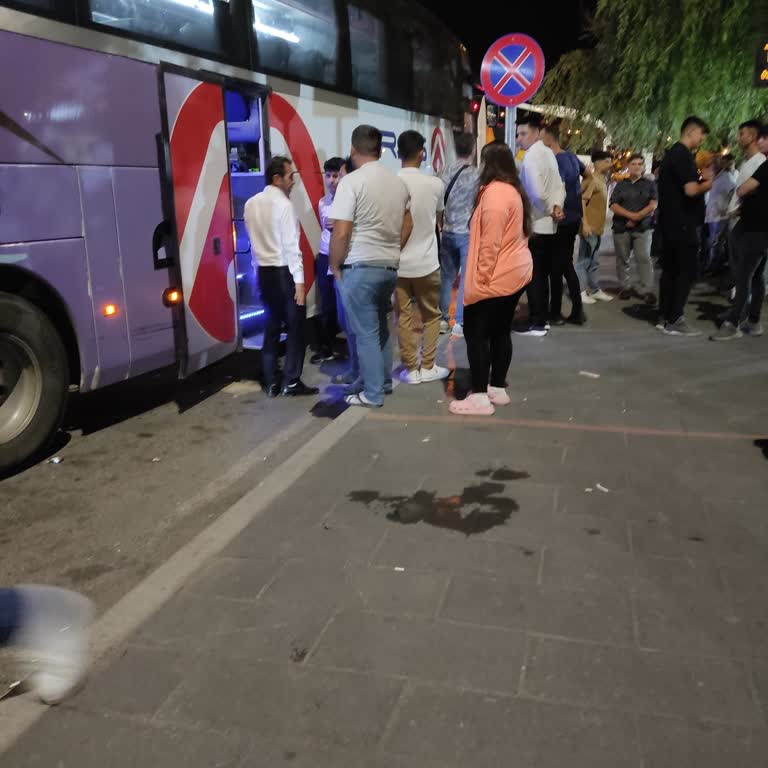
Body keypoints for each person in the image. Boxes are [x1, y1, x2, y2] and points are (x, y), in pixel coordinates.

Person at [329, 125, 412, 408]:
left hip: (360, 266)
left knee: (365, 332)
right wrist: (392, 248)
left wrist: (335, 265)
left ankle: (373, 394)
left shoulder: (350, 183)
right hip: (388, 267)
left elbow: (341, 232)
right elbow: (408, 222)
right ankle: (382, 383)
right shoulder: (397, 183)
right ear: (379, 150)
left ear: (354, 151)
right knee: (381, 328)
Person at [449, 142, 533, 416]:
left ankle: (480, 397)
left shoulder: (495, 193)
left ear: (489, 164)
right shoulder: (511, 191)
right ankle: (496, 387)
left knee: (476, 335)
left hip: (496, 277)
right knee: (499, 332)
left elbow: (490, 243)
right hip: (512, 274)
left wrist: (481, 279)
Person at [245, 155, 318, 396]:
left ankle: (271, 382)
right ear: (277, 179)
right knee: (297, 328)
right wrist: (299, 283)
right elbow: (291, 249)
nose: (293, 181)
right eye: (290, 176)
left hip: (264, 274)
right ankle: (292, 381)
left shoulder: (250, 204)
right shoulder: (284, 206)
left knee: (271, 327)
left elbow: (253, 249)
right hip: (283, 274)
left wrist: (257, 275)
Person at [395, 130, 450, 384]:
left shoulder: (391, 183)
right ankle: (428, 366)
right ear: (422, 153)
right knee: (431, 316)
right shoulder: (435, 184)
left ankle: (410, 369)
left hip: (398, 264)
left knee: (403, 316)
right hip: (427, 262)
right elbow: (439, 218)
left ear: (398, 153)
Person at [656, 115, 714, 336]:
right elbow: (690, 190)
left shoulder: (671, 154)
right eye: (701, 134)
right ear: (692, 131)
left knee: (670, 271)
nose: (702, 140)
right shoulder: (683, 156)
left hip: (669, 224)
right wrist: (707, 183)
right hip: (683, 224)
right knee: (685, 272)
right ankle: (675, 318)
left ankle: (664, 315)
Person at [711, 134, 768, 340]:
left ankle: (733, 323)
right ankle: (753, 322)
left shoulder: (765, 166)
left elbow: (743, 189)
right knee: (758, 277)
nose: (760, 142)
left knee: (743, 277)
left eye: (765, 138)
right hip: (762, 231)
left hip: (755, 230)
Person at [0, 585, 92, 704]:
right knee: (52, 689)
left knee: (53, 691)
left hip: (50, 615)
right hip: (42, 609)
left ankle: (55, 631)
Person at [517, 115, 565, 335]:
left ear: (536, 132)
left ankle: (537, 322)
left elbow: (536, 192)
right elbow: (559, 185)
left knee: (534, 276)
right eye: (518, 134)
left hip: (536, 224)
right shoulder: (548, 152)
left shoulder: (532, 156)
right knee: (542, 274)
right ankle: (542, 319)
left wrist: (548, 208)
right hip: (550, 224)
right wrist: (557, 207)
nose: (519, 139)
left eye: (523, 134)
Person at [541, 123, 587, 325]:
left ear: (549, 140)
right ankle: (576, 311)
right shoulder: (572, 157)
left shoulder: (555, 161)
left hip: (561, 220)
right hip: (573, 218)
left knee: (556, 268)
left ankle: (556, 313)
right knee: (565, 265)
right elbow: (588, 174)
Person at [438, 133, 479, 338]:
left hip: (447, 230)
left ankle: (442, 320)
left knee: (446, 277)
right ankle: (460, 323)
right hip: (467, 232)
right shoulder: (476, 174)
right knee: (466, 278)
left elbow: (438, 201)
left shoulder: (444, 171)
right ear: (473, 149)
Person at [609, 153, 658, 303]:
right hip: (621, 228)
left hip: (643, 228)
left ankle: (647, 289)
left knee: (643, 258)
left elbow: (653, 204)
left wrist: (637, 217)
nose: (637, 166)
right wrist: (630, 216)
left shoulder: (650, 184)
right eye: (634, 164)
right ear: (628, 166)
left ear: (643, 167)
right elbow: (613, 205)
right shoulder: (621, 185)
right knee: (622, 259)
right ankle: (625, 287)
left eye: (639, 164)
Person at [313, 157, 346, 365]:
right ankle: (326, 347)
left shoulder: (349, 201)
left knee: (344, 303)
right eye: (328, 176)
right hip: (325, 255)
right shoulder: (322, 203)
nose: (332, 180)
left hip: (343, 256)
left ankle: (350, 347)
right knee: (326, 304)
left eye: (336, 176)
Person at [576, 150, 614, 311]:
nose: (609, 164)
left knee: (593, 261)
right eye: (606, 161)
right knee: (583, 261)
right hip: (589, 228)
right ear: (597, 162)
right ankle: (580, 291)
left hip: (597, 228)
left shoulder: (602, 180)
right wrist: (584, 223)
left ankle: (595, 289)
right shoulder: (591, 179)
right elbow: (581, 200)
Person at [704, 155, 736, 275]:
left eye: (714, 164)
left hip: (719, 217)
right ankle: (712, 266)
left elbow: (733, 191)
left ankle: (714, 268)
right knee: (712, 243)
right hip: (712, 216)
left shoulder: (726, 178)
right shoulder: (717, 178)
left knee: (715, 244)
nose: (712, 166)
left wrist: (726, 208)